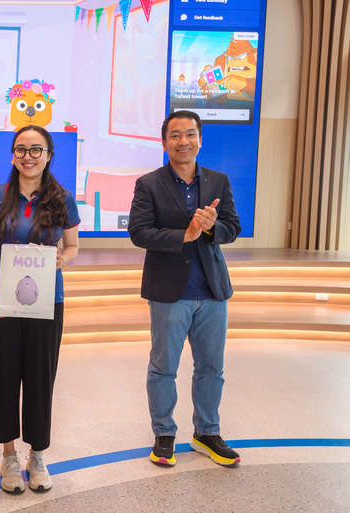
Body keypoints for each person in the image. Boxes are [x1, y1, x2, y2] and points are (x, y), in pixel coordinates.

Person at [128, 110, 242, 467]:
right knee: (164, 368)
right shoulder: (149, 183)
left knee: (211, 368)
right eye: (175, 135)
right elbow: (139, 232)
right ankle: (164, 434)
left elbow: (233, 226)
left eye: (190, 134)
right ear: (164, 142)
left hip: (212, 291)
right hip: (168, 291)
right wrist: (186, 235)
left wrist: (211, 228)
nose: (183, 141)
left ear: (200, 140)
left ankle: (207, 432)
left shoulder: (218, 181)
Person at [0, 125, 80, 493]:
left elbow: (72, 247)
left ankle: (37, 455)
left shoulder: (62, 198)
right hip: (1, 301)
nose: (28, 156)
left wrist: (62, 260)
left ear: (48, 155)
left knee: (39, 377)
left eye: (37, 150)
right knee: (2, 377)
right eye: (21, 149)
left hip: (47, 302)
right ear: (13, 154)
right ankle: (8, 456)